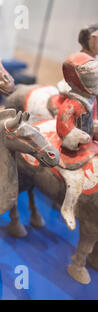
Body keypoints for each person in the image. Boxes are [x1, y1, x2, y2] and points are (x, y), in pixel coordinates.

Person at [55, 52, 98, 229]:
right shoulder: (72, 103)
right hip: (71, 147)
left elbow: (92, 117)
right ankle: (68, 208)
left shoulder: (90, 98)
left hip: (87, 140)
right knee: (75, 179)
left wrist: (94, 126)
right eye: (90, 77)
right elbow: (63, 125)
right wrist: (75, 136)